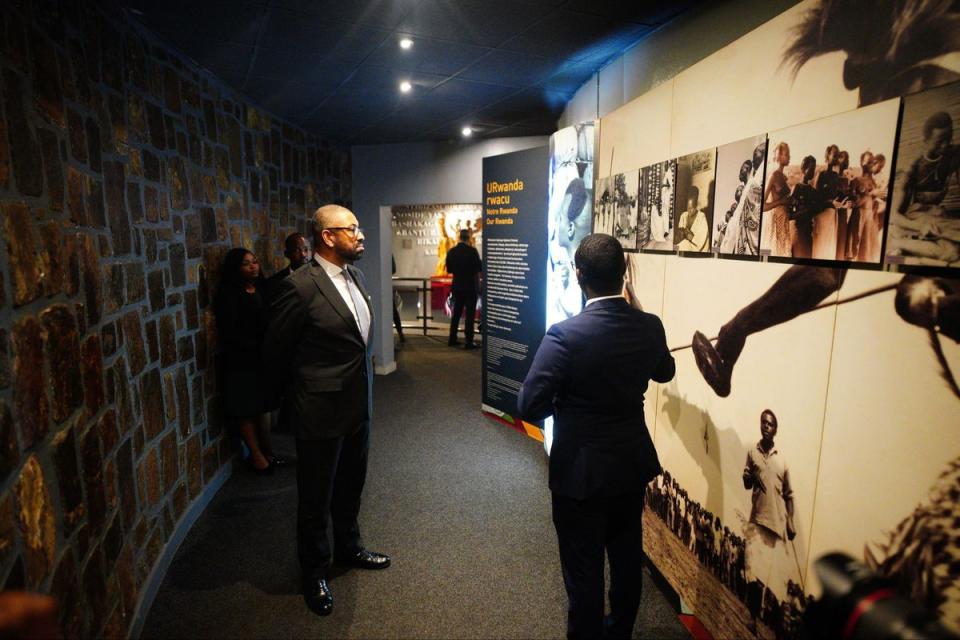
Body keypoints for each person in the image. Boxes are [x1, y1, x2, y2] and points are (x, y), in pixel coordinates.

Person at [517, 233, 675, 640]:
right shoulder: (649, 325)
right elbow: (665, 371)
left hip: (580, 472)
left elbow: (529, 404)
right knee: (625, 558)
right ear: (624, 274)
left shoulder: (565, 335)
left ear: (577, 273)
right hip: (630, 463)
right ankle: (620, 630)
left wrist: (565, 409)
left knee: (583, 569)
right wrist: (637, 311)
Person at [262, 204, 390, 617]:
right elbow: (276, 352)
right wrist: (298, 402)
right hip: (318, 411)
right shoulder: (299, 287)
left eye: (358, 227)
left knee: (351, 486)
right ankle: (314, 571)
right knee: (315, 498)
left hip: (357, 407)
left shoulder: (357, 276)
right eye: (351, 229)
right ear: (327, 237)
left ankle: (349, 549)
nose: (361, 235)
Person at [214, 247, 276, 474]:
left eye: (255, 261)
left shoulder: (261, 287)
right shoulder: (229, 294)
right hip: (241, 358)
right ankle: (256, 455)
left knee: (260, 405)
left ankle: (266, 451)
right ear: (235, 268)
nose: (253, 266)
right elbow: (230, 330)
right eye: (246, 263)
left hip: (261, 356)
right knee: (244, 406)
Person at [742, 410, 796, 633]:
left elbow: (789, 495)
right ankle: (752, 619)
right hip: (756, 522)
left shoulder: (782, 461)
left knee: (764, 578)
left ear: (776, 430)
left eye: (771, 424)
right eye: (763, 422)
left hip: (774, 528)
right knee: (752, 574)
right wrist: (749, 477)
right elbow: (746, 482)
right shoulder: (752, 453)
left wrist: (790, 521)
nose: (766, 426)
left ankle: (764, 622)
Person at [445, 229, 483, 349]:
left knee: (456, 313)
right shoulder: (472, 251)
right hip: (470, 286)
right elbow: (479, 267)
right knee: (470, 315)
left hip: (457, 286)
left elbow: (449, 270)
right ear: (469, 238)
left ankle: (452, 338)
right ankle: (468, 341)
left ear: (459, 237)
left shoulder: (451, 251)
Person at [763, 142, 793, 256]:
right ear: (779, 156)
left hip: (784, 222)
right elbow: (763, 206)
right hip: (775, 222)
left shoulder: (783, 177)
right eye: (787, 154)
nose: (789, 157)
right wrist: (780, 202)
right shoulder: (773, 176)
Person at [264, 232, 311, 303]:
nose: (303, 254)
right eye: (297, 250)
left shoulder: (321, 277)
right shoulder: (275, 283)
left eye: (306, 249)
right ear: (287, 254)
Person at [676, 186, 709, 252]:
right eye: (688, 208)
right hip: (685, 247)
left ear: (696, 205)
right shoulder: (683, 216)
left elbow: (701, 241)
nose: (689, 211)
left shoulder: (702, 217)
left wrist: (691, 237)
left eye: (692, 208)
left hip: (699, 250)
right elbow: (680, 236)